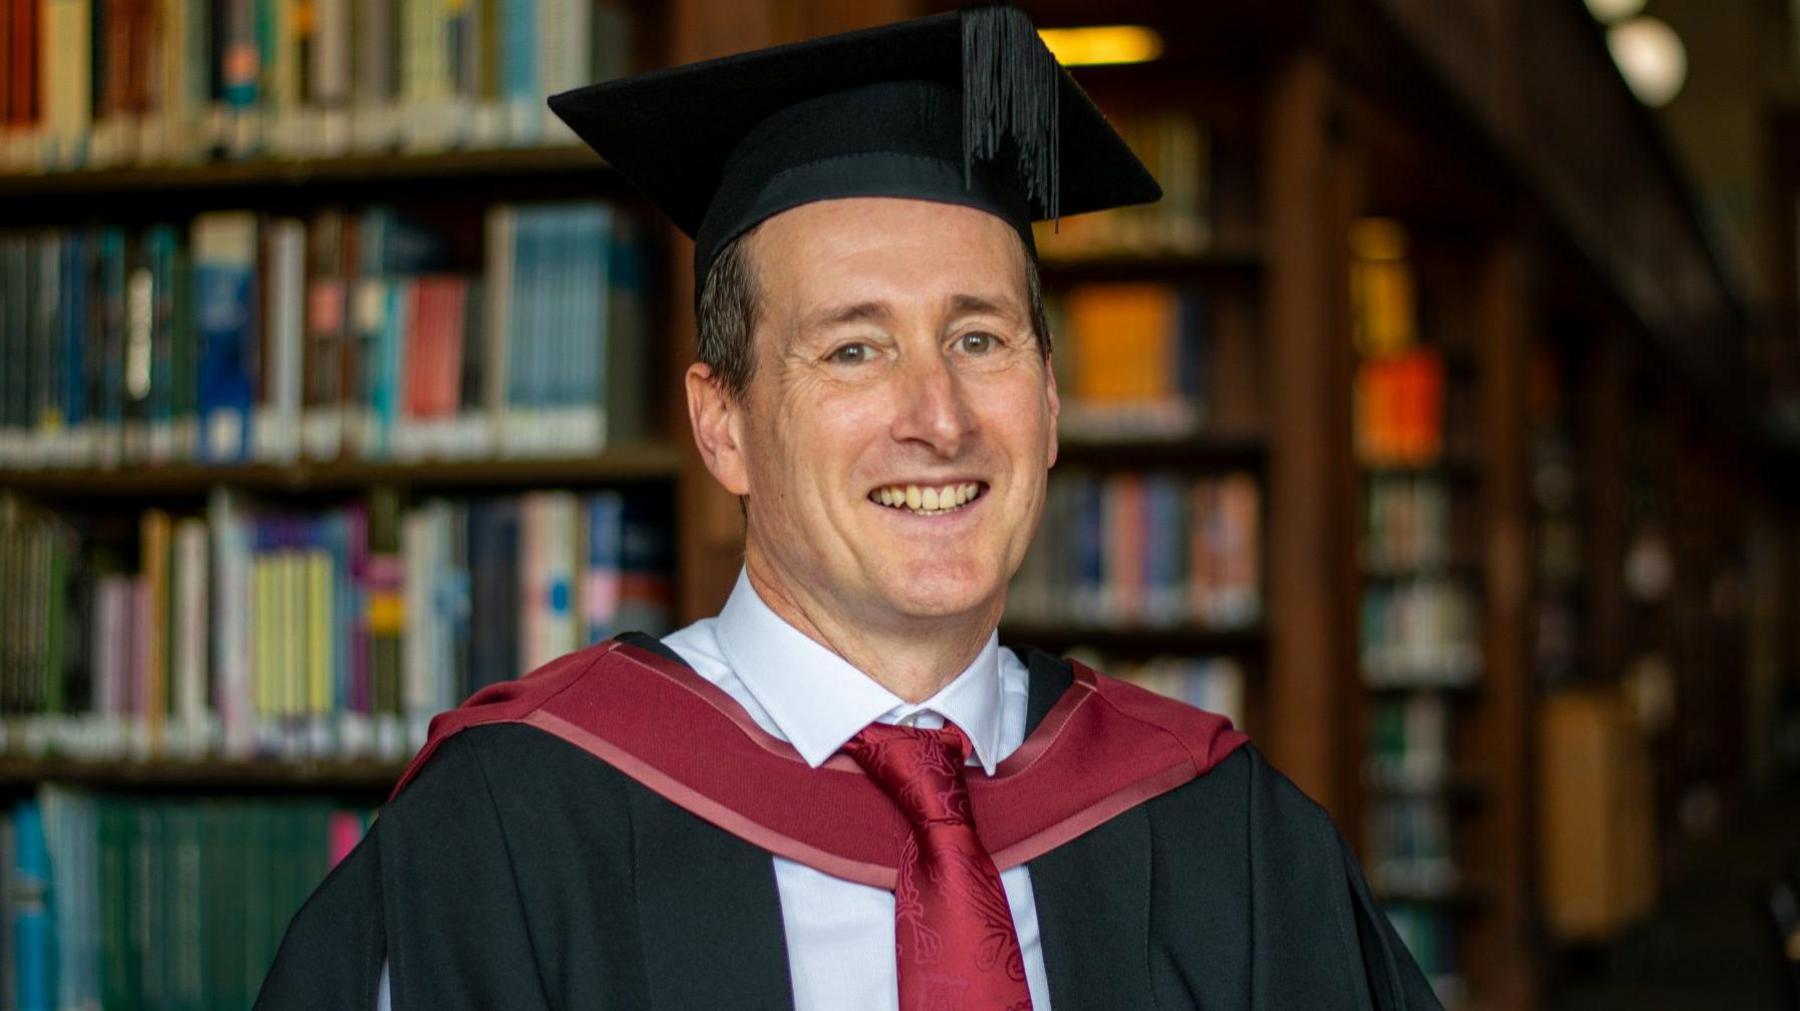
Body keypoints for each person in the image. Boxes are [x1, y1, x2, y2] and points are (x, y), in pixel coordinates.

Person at [257, 7, 1442, 1010]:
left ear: (1050, 400)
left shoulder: (1218, 827)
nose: (938, 415)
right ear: (723, 424)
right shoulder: (512, 828)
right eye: (854, 349)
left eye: (979, 338)